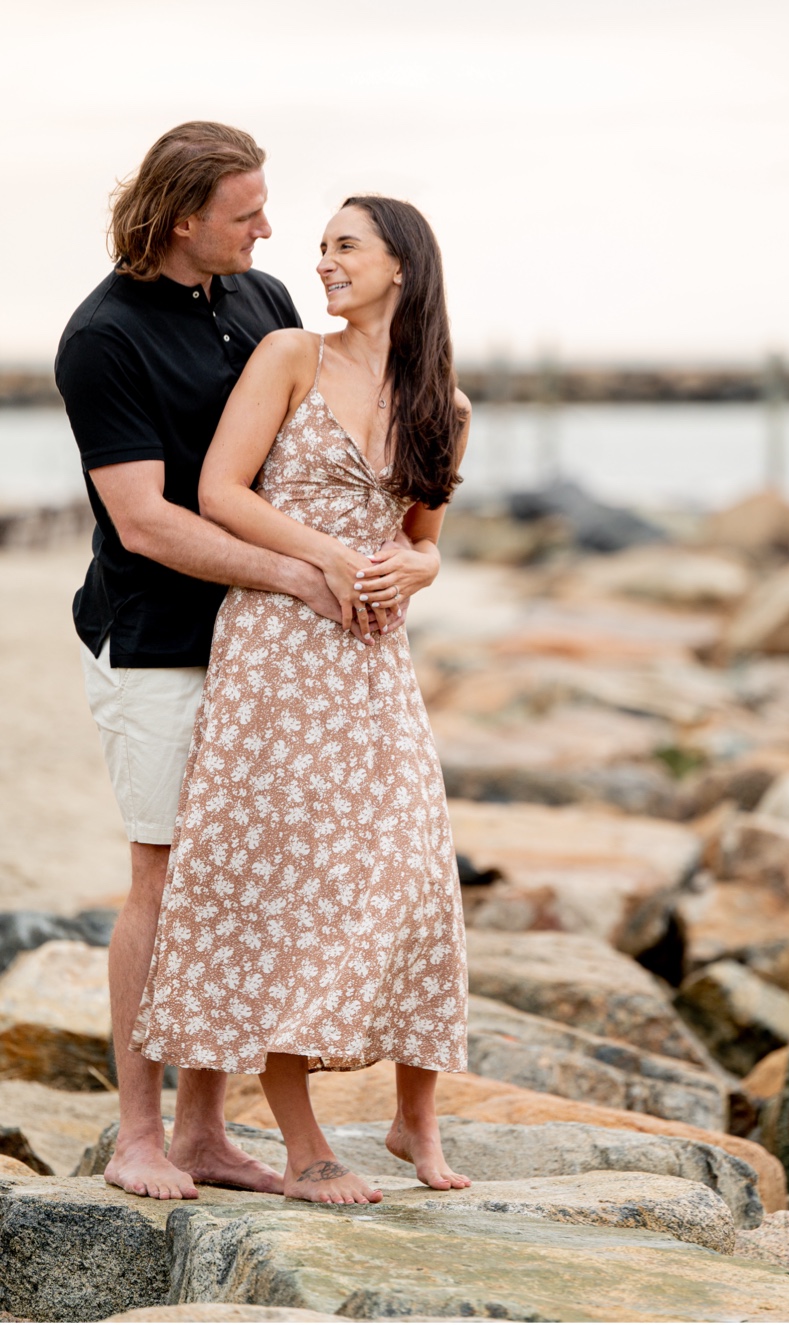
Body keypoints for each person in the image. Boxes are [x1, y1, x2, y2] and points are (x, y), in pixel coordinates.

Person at [130, 194, 472, 1204]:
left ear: (401, 265)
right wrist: (325, 553)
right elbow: (220, 493)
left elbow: (427, 540)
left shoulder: (443, 404)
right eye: (321, 247)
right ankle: (306, 1145)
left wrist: (415, 572)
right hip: (278, 644)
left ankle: (417, 1118)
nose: (322, 261)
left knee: (416, 871)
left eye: (344, 246)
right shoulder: (289, 355)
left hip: (372, 661)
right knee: (292, 883)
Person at [56, 121, 359, 1201]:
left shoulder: (262, 300)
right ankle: (138, 1132)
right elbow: (143, 520)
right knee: (166, 872)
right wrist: (291, 577)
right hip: (154, 642)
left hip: (256, 647)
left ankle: (205, 1129)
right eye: (246, 212)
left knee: (234, 879)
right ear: (183, 217)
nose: (271, 228)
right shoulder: (104, 337)